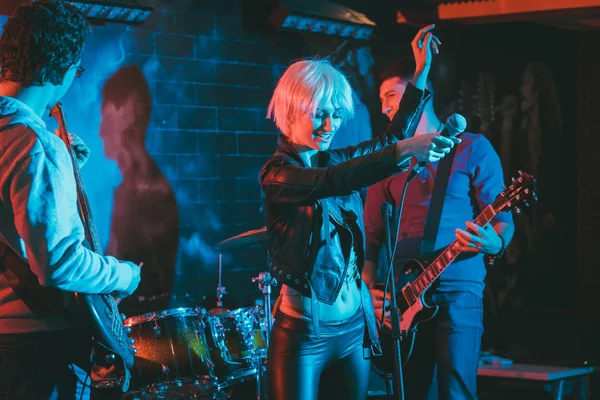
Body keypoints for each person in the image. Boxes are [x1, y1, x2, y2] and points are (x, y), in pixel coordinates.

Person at [260, 25, 460, 400]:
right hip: (305, 335)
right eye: (319, 114)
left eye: (336, 116)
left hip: (354, 329)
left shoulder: (332, 159)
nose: (329, 126)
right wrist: (405, 151)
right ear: (292, 109)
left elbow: (386, 142)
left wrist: (420, 74)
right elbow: (332, 180)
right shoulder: (277, 175)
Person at [0, 1, 141, 399]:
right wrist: (125, 274)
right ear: (61, 67)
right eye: (75, 71)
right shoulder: (33, 144)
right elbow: (59, 263)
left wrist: (61, 171)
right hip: (33, 349)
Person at [362, 57, 516, 399]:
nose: (385, 107)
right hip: (403, 296)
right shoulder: (386, 161)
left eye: (391, 95)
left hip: (458, 287)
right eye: (382, 100)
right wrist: (367, 297)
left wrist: (495, 242)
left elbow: (504, 219)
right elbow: (370, 239)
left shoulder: (472, 148)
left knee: (456, 390)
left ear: (421, 93)